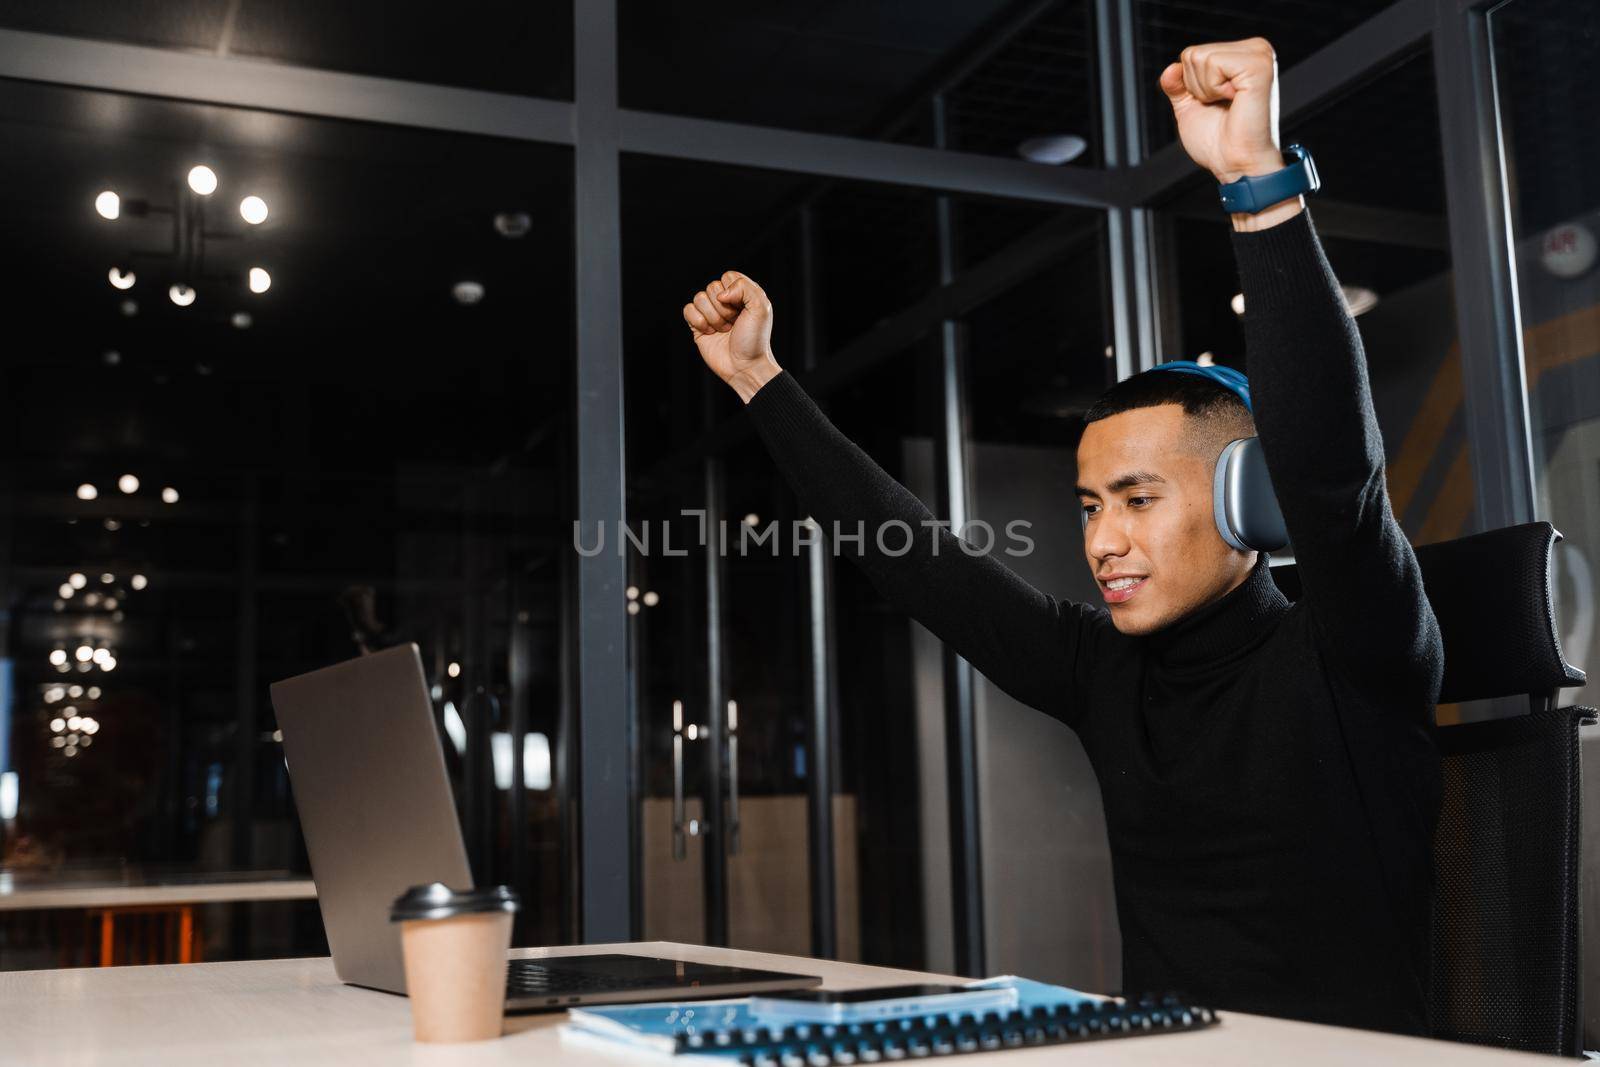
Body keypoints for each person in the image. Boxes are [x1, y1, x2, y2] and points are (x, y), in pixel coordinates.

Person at [681, 38, 1442, 1036]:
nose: (1103, 539)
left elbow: (1334, 475)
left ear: (1247, 499)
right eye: (1089, 506)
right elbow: (917, 562)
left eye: (1136, 498)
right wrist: (756, 381)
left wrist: (1257, 181)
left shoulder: (1354, 647)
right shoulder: (1104, 668)